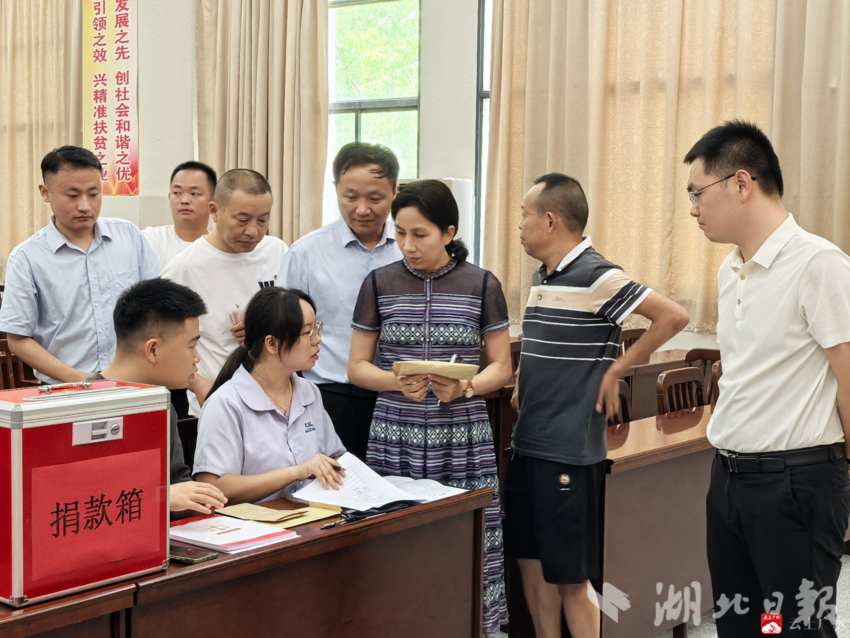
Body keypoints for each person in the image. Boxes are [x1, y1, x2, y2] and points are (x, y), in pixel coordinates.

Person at [505, 173, 688, 638]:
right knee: (531, 563)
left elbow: (673, 317)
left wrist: (617, 369)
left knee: (571, 576)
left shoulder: (597, 274)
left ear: (550, 220)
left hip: (567, 452)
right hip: (528, 444)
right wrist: (524, 377)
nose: (519, 225)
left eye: (524, 215)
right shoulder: (542, 277)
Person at [685, 120, 850, 637]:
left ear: (741, 183)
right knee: (743, 626)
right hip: (729, 483)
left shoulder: (818, 264)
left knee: (796, 628)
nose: (692, 208)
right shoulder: (730, 269)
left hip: (795, 486)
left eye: (696, 192)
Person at [348, 180, 512, 637]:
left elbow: (502, 367)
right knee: (395, 539)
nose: (407, 245)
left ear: (448, 232)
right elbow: (357, 367)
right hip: (394, 431)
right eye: (400, 233)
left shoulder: (481, 283)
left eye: (419, 234)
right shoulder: (379, 282)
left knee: (466, 538)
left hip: (461, 433)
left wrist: (466, 388)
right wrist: (395, 383)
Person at [280, 142, 402, 460]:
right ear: (335, 188)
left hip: (402, 397)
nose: (362, 209)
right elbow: (284, 331)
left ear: (394, 191)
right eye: (350, 197)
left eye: (375, 198)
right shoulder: (305, 253)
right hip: (331, 397)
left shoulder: (410, 249)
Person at [0, 145, 160, 383]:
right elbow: (18, 340)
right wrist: (84, 381)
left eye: (94, 194)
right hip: (65, 388)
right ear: (45, 193)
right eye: (72, 196)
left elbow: (158, 307)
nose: (85, 206)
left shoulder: (129, 236)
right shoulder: (26, 258)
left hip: (135, 381)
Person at [194, 287, 346, 504]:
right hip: (250, 522)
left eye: (317, 328)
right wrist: (296, 472)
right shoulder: (226, 403)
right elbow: (212, 488)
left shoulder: (309, 391)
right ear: (272, 344)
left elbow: (335, 456)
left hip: (313, 516)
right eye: (307, 332)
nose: (318, 340)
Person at [93, 278, 227, 516]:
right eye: (191, 346)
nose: (197, 358)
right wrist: (159, 497)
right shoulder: (78, 409)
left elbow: (178, 483)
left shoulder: (161, 406)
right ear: (153, 350)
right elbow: (76, 501)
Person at [162, 168, 288, 413]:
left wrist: (266, 327)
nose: (253, 231)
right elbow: (158, 342)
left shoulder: (277, 251)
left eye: (262, 220)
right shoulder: (185, 268)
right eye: (242, 220)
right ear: (215, 211)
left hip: (276, 400)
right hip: (218, 403)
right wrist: (196, 383)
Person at [142, 161, 217, 267]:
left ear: (213, 201)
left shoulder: (220, 248)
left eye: (194, 194)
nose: (184, 200)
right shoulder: (150, 240)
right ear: (169, 198)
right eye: (177, 193)